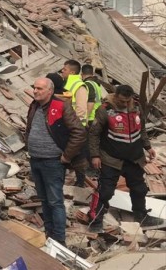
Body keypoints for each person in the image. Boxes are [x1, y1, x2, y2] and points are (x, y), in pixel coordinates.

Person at [89, 85, 165, 232]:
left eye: (127, 101)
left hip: (134, 157)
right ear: (116, 96)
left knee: (139, 189)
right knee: (106, 191)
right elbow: (94, 134)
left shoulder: (136, 107)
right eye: (122, 101)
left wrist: (148, 147)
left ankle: (141, 217)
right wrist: (95, 155)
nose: (125, 104)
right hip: (111, 158)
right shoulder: (105, 109)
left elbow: (141, 129)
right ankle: (96, 220)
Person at [25, 77, 86, 244]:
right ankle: (49, 234)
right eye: (34, 87)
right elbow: (29, 128)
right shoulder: (34, 105)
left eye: (40, 89)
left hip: (52, 162)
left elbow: (79, 132)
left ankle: (59, 240)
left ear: (50, 91)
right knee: (44, 200)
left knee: (55, 201)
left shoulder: (60, 106)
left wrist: (67, 155)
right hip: (36, 159)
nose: (35, 91)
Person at [61, 59, 89, 127]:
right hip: (68, 123)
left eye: (65, 69)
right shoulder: (68, 84)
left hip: (75, 126)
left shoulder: (80, 86)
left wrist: (72, 124)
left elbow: (81, 109)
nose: (62, 71)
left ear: (72, 72)